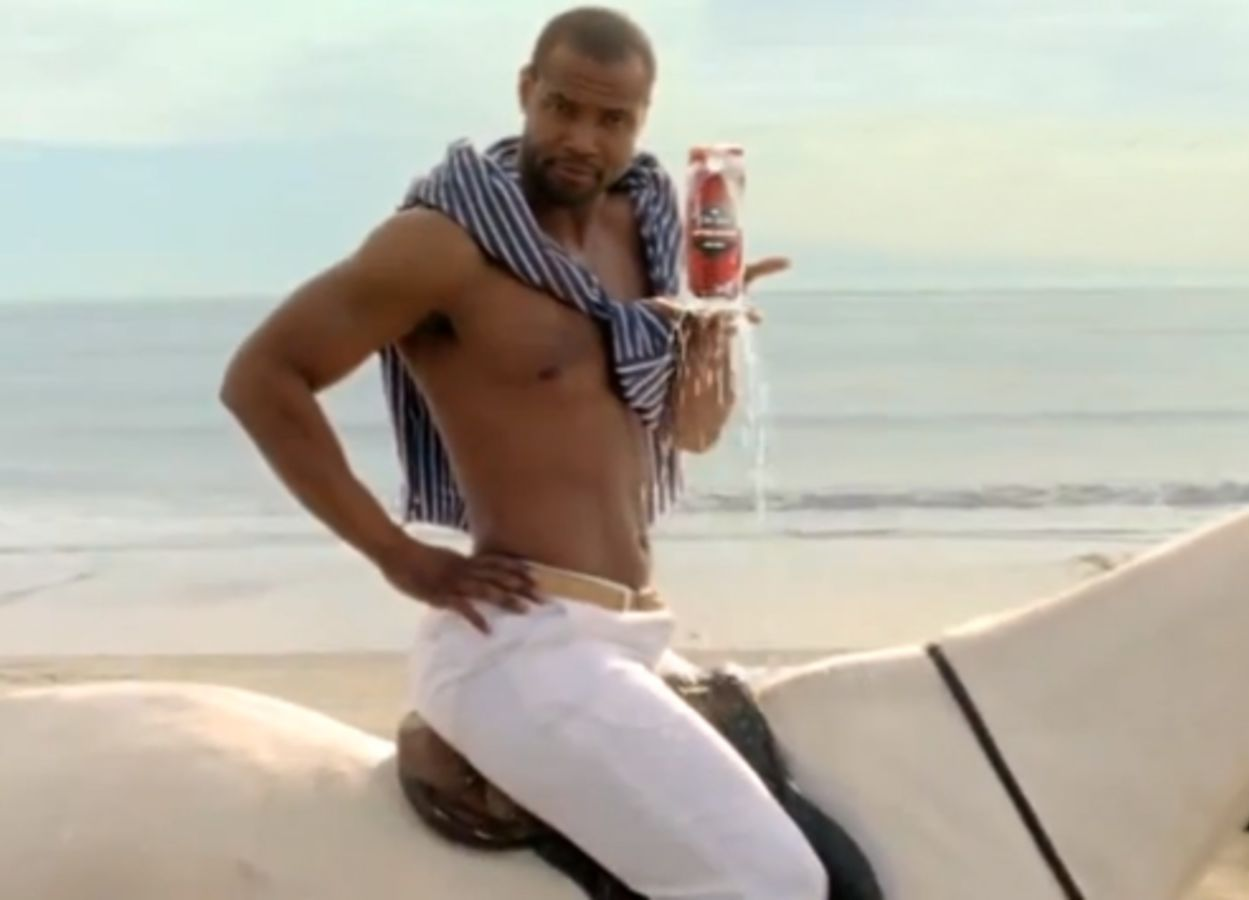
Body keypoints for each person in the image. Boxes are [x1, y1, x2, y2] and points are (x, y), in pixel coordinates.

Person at [218, 6, 827, 898]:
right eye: (562, 108)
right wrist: (398, 555)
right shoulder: (443, 243)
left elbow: (691, 430)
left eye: (612, 119)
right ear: (525, 91)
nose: (582, 138)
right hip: (521, 645)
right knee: (773, 879)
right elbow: (261, 378)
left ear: (642, 121)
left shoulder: (649, 229)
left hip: (633, 632)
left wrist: (711, 322)